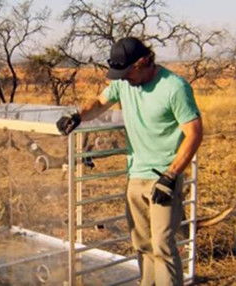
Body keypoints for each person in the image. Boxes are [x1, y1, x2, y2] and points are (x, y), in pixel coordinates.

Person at [56, 37, 203, 286]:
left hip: (164, 176)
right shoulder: (124, 83)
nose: (124, 78)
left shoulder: (175, 87)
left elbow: (194, 133)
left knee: (162, 246)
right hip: (135, 175)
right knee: (143, 244)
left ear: (143, 62)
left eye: (128, 73)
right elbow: (100, 101)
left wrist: (171, 175)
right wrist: (77, 116)